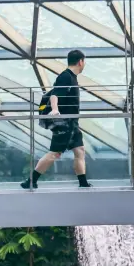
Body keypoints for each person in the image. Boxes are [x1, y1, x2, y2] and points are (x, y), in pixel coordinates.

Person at [21, 49, 91, 189]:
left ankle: (83, 183)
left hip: (72, 122)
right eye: (84, 62)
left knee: (79, 150)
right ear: (80, 62)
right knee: (55, 153)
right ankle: (31, 180)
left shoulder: (72, 77)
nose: (84, 65)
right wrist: (55, 109)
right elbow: (55, 94)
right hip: (64, 123)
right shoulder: (65, 76)